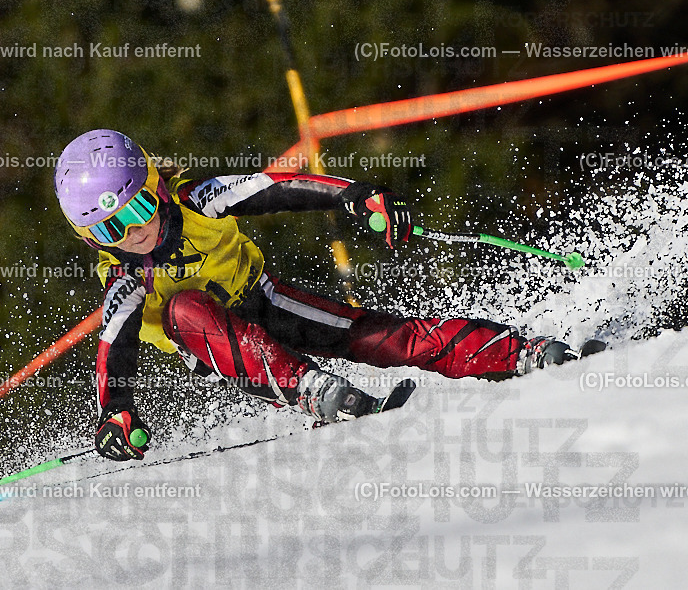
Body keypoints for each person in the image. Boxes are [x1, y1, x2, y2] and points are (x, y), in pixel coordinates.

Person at [54, 129, 589, 461]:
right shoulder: (123, 281)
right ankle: (310, 388)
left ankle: (519, 354)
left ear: (157, 187)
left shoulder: (201, 199)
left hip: (264, 301)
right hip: (225, 354)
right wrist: (116, 416)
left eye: (137, 211)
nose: (133, 235)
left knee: (376, 336)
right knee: (184, 308)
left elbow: (276, 189)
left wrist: (359, 197)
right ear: (89, 240)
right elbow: (114, 349)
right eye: (109, 231)